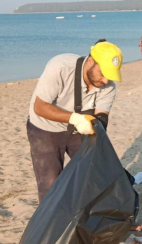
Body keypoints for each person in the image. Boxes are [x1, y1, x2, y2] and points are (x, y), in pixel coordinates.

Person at [27, 39, 123, 202]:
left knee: (92, 175)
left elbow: (101, 118)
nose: (106, 81)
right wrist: (75, 118)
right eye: (103, 73)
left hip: (77, 130)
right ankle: (54, 225)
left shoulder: (108, 87)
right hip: (44, 129)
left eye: (110, 75)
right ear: (91, 61)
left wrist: (97, 127)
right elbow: (40, 107)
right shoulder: (60, 67)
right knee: (50, 184)